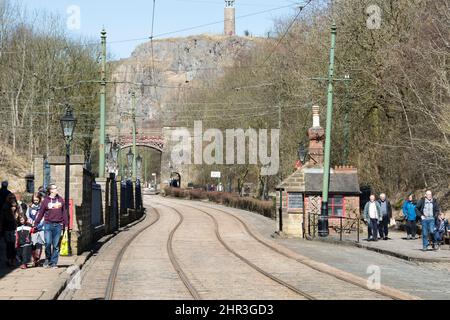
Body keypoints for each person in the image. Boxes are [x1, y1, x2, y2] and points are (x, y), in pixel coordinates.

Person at [34, 184, 68, 269]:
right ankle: (47, 259)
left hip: (58, 225)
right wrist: (36, 223)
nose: (57, 189)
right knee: (48, 243)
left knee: (56, 246)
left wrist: (66, 224)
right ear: (51, 190)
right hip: (48, 224)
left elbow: (64, 212)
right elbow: (41, 213)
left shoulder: (60, 200)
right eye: (55, 188)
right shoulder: (45, 201)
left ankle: (54, 263)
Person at [26, 193, 45, 267]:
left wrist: (39, 225)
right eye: (34, 200)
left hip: (41, 228)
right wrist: (32, 223)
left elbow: (44, 217)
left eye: (37, 200)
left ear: (39, 199)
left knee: (39, 244)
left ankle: (38, 259)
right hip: (33, 228)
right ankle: (34, 259)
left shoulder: (42, 207)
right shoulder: (30, 207)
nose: (36, 201)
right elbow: (27, 216)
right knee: (33, 244)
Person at [1, 194, 19, 267]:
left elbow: (19, 218)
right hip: (7, 229)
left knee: (14, 245)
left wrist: (15, 211)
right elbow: (5, 219)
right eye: (10, 198)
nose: (12, 200)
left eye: (13, 198)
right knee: (9, 245)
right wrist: (12, 212)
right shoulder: (5, 208)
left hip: (15, 229)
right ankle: (9, 260)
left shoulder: (17, 207)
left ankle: (13, 260)